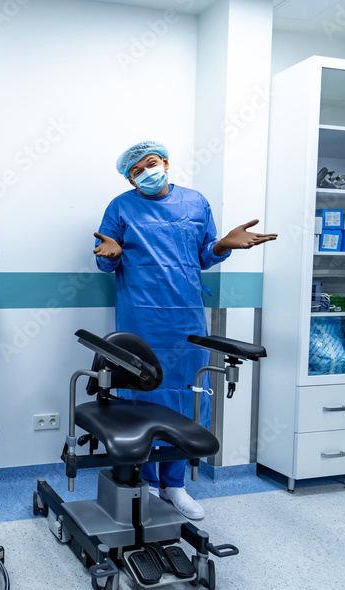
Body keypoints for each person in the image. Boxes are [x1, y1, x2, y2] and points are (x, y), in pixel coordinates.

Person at [93, 141, 276, 520]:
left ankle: (174, 485)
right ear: (129, 178)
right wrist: (110, 255)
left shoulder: (196, 203)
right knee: (140, 396)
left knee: (187, 394)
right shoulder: (120, 207)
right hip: (140, 318)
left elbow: (204, 255)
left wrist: (223, 244)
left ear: (166, 162)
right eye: (136, 171)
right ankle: (140, 483)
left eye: (151, 164)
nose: (145, 173)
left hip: (187, 317)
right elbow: (105, 257)